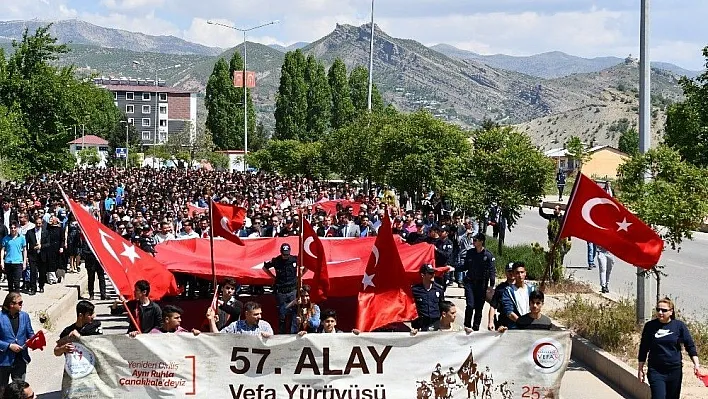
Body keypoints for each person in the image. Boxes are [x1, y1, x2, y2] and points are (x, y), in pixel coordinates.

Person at [637, 297, 700, 399]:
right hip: (656, 370)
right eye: (658, 309)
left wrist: (696, 364)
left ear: (671, 312)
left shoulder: (679, 326)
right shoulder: (650, 326)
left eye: (664, 310)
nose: (660, 312)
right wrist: (640, 369)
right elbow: (643, 348)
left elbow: (690, 346)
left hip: (674, 370)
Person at [461, 233, 495, 330]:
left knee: (479, 308)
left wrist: (491, 286)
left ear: (481, 242)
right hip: (470, 283)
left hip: (482, 285)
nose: (474, 241)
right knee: (470, 305)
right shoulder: (470, 253)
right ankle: (467, 325)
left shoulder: (488, 255)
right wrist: (454, 268)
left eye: (476, 240)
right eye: (473, 240)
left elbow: (492, 271)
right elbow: (465, 266)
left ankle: (476, 328)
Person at [262, 243, 298, 334]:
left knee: (294, 313)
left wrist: (300, 276)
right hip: (281, 291)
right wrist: (273, 277)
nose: (286, 256)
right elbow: (265, 267)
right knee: (282, 314)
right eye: (284, 254)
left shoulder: (294, 259)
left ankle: (292, 333)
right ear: (281, 252)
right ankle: (282, 333)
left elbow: (306, 266)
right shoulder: (276, 260)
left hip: (292, 290)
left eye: (287, 254)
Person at [0, 293, 33, 391]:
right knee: (2, 390)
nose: (21, 305)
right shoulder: (1, 318)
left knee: (19, 391)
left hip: (20, 359)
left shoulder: (25, 316)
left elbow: (30, 333)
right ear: (11, 304)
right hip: (4, 361)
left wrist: (32, 340)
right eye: (20, 303)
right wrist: (9, 346)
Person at [207, 301, 273, 337]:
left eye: (260, 313)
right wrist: (211, 320)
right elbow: (217, 337)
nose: (260, 317)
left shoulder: (265, 326)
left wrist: (269, 338)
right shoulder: (235, 326)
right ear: (247, 314)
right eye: (256, 314)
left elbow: (275, 344)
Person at [500, 262, 535, 329]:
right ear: (513, 274)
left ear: (525, 273)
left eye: (522, 272)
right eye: (517, 273)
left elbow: (537, 304)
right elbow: (509, 311)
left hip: (530, 326)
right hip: (515, 327)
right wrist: (521, 322)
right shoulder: (508, 291)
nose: (520, 275)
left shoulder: (532, 289)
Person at [411, 264, 445, 331]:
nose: (433, 275)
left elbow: (442, 306)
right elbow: (411, 307)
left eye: (433, 273)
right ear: (422, 275)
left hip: (435, 322)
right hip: (420, 324)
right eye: (430, 273)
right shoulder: (415, 290)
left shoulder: (439, 289)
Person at [24, 216, 48, 295]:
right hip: (32, 255)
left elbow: (48, 244)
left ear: (42, 224)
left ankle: (41, 286)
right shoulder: (29, 232)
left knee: (42, 272)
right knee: (33, 272)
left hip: (42, 254)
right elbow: (25, 244)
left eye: (39, 223)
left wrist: (41, 246)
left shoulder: (45, 232)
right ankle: (33, 288)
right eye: (37, 223)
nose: (38, 225)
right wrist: (27, 255)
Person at [487, 262, 515, 331]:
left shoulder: (521, 287)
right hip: (503, 321)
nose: (511, 273)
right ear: (506, 272)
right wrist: (491, 322)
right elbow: (493, 306)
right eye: (509, 271)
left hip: (517, 321)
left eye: (513, 271)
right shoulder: (500, 288)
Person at [1, 222, 26, 293]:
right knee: (10, 283)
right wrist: (2, 261)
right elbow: (2, 250)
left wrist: (24, 262)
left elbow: (24, 250)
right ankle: (10, 300)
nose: (13, 229)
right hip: (8, 262)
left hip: (18, 262)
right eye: (11, 228)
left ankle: (17, 300)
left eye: (15, 228)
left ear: (17, 228)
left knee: (17, 283)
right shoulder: (6, 238)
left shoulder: (22, 238)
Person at [81, 234, 106, 300]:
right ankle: (91, 294)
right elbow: (84, 251)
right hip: (90, 263)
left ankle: (103, 294)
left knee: (101, 278)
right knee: (91, 279)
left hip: (99, 263)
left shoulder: (99, 242)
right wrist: (93, 252)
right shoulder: (86, 241)